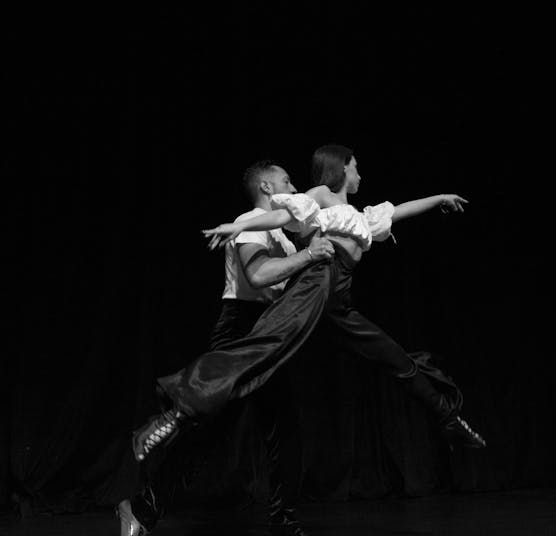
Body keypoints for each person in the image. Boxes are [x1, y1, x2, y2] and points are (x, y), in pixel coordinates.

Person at [134, 145, 484, 467]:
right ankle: (175, 413)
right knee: (263, 350)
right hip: (320, 281)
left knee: (392, 355)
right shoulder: (320, 196)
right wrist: (235, 224)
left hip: (340, 298)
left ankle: (447, 418)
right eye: (356, 168)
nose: (360, 175)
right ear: (342, 168)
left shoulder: (361, 216)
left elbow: (398, 211)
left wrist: (439, 197)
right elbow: (280, 218)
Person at [117, 161, 334, 536]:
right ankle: (141, 507)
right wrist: (308, 257)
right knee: (208, 435)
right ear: (267, 186)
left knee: (285, 432)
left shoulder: (281, 230)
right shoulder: (250, 220)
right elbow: (259, 275)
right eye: (287, 180)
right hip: (241, 329)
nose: (294, 185)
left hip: (268, 331)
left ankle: (284, 530)